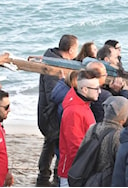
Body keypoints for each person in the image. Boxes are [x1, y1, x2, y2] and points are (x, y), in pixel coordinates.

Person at [37, 34, 78, 186]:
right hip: (50, 113)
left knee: (50, 145)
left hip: (48, 112)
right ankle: (48, 177)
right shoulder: (55, 66)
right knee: (55, 145)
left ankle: (46, 176)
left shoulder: (53, 58)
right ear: (71, 49)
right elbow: (52, 94)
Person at [57, 70, 99, 187]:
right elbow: (75, 146)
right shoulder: (74, 111)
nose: (99, 91)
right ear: (85, 90)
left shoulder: (83, 104)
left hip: (80, 168)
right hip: (74, 171)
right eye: (96, 88)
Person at [79, 96, 128, 186]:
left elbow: (81, 151)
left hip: (89, 179)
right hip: (106, 181)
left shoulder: (93, 128)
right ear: (124, 118)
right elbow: (122, 165)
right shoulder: (119, 135)